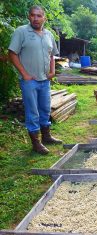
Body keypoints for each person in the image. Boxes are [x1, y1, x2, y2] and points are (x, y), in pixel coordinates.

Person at [8, 5, 62, 155]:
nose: (36, 18)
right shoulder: (21, 32)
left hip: (44, 80)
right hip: (29, 81)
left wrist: (52, 71)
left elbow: (52, 55)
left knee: (45, 109)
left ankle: (46, 136)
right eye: (33, 15)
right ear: (29, 16)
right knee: (32, 112)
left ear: (44, 18)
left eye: (39, 16)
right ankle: (36, 143)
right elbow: (12, 54)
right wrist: (24, 74)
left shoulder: (49, 35)